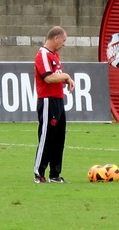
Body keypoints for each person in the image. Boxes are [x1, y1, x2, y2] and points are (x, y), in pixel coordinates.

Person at [33, 26, 75, 183]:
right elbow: (48, 78)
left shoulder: (55, 55)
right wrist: (66, 76)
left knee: (59, 137)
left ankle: (55, 174)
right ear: (55, 38)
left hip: (58, 100)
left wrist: (66, 80)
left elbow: (56, 77)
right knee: (46, 137)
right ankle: (39, 172)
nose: (64, 44)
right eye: (63, 40)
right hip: (47, 100)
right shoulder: (43, 54)